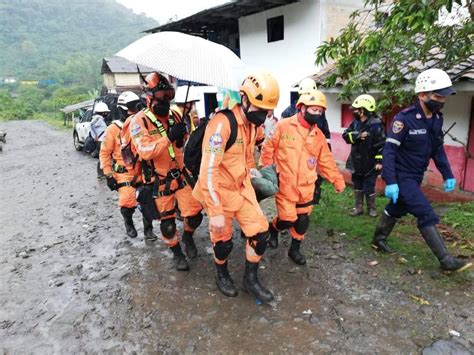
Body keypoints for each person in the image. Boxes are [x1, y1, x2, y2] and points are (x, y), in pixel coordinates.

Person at [373, 68, 471, 272]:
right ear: (422, 95)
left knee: (397, 208)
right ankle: (446, 261)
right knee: (425, 213)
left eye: (444, 96)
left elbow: (437, 149)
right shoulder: (404, 118)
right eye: (437, 96)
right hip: (401, 175)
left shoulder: (437, 119)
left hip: (416, 174)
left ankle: (378, 239)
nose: (441, 100)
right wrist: (390, 180)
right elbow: (389, 150)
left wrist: (448, 174)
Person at [193, 72, 279, 302]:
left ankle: (250, 279)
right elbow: (208, 170)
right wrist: (215, 211)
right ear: (244, 100)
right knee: (223, 243)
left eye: (268, 111)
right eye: (261, 109)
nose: (265, 115)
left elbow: (244, 154)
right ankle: (221, 274)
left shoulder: (252, 125)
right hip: (219, 192)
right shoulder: (222, 125)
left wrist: (250, 169)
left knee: (260, 233)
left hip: (242, 188)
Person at [260, 89, 346, 265]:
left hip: (307, 186)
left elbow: (326, 161)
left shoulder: (319, 136)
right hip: (285, 184)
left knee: (302, 220)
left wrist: (337, 179)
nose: (317, 114)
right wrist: (268, 172)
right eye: (314, 110)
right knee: (287, 218)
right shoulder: (283, 126)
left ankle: (295, 249)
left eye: (320, 111)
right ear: (302, 108)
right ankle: (273, 228)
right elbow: (268, 148)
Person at [129, 72, 203, 271]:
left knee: (196, 214)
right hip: (159, 180)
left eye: (170, 95)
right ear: (149, 97)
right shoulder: (139, 121)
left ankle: (188, 237)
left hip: (181, 174)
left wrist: (181, 137)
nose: (167, 100)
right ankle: (177, 253)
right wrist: (168, 138)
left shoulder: (176, 114)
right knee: (167, 224)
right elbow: (144, 152)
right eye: (162, 96)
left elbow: (183, 140)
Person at [99, 91, 157, 241]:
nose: (133, 113)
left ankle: (148, 230)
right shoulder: (113, 129)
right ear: (122, 110)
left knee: (147, 202)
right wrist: (108, 174)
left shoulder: (142, 125)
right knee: (127, 202)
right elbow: (105, 153)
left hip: (143, 170)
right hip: (124, 173)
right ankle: (128, 222)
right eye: (130, 110)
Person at [342, 94, 385, 217]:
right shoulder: (355, 123)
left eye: (356, 109)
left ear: (363, 110)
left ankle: (372, 208)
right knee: (357, 185)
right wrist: (358, 135)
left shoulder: (376, 124)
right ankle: (358, 208)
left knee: (369, 186)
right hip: (356, 161)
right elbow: (345, 136)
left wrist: (379, 162)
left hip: (370, 163)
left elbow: (382, 144)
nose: (354, 111)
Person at [91, 102, 109, 179]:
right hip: (101, 141)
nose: (107, 113)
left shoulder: (100, 119)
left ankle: (102, 173)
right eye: (106, 112)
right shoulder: (98, 118)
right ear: (102, 112)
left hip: (102, 140)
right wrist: (95, 136)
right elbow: (91, 124)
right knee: (102, 157)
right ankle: (101, 174)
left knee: (102, 157)